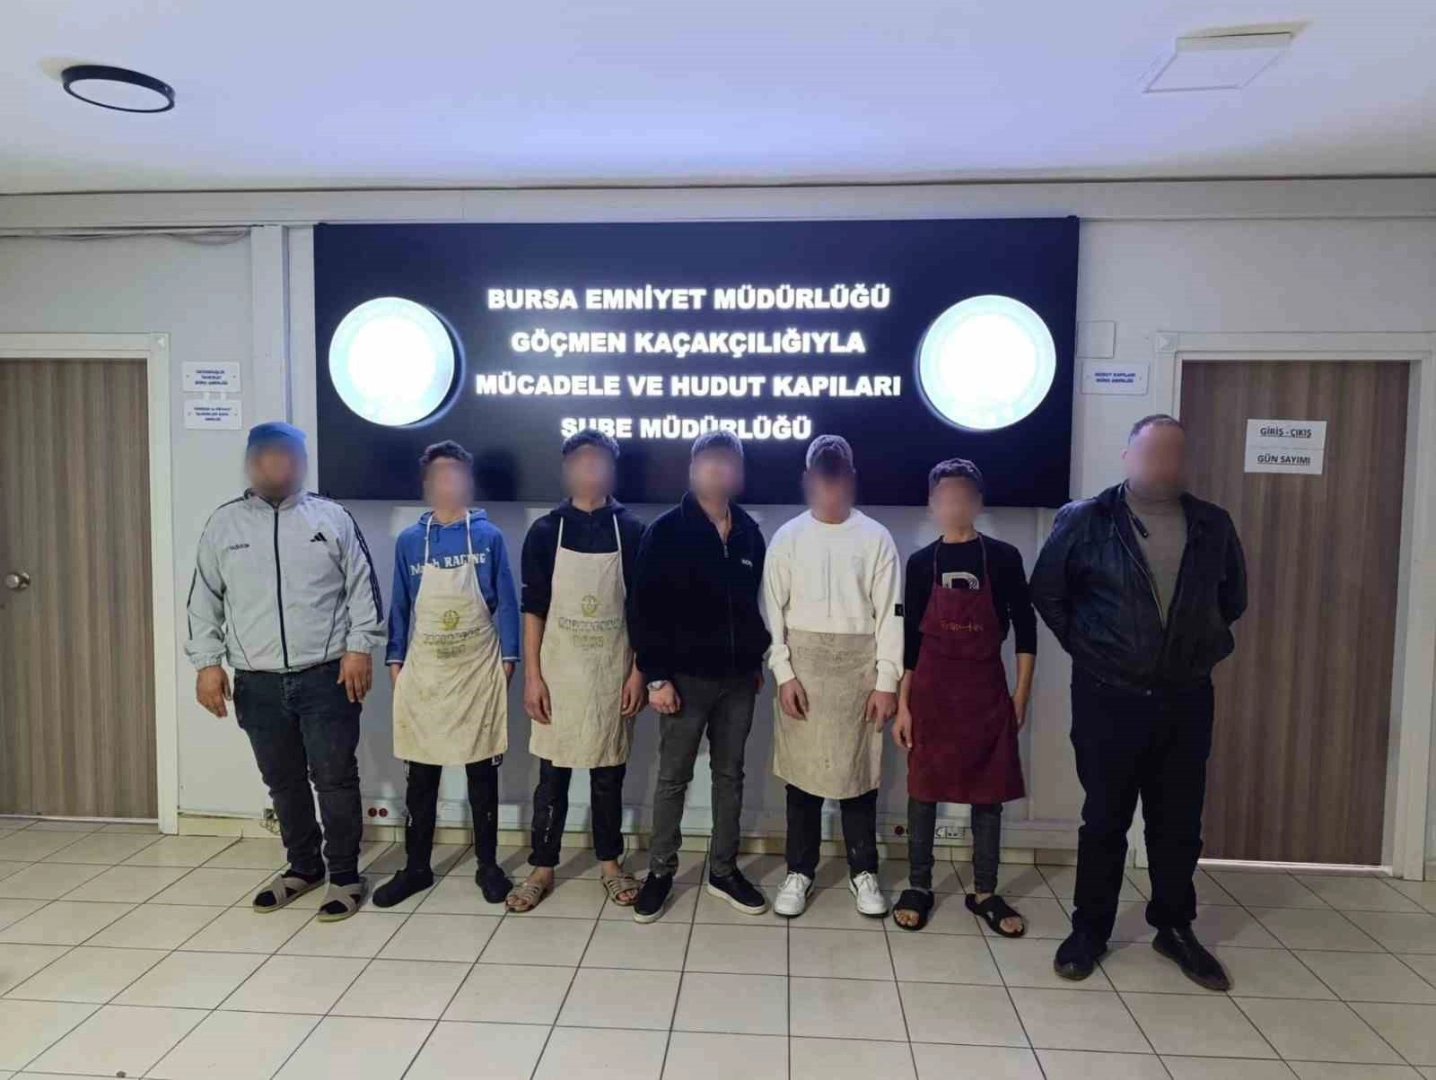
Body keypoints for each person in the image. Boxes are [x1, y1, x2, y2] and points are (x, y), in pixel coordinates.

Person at [1031, 414, 1247, 991]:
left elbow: (1233, 598)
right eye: (1151, 452)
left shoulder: (1212, 524)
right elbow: (1047, 591)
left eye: (1173, 453)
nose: (1162, 463)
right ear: (1127, 457)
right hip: (1107, 697)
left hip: (1185, 699)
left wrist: (1194, 650)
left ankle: (1174, 927)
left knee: (1178, 823)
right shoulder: (1085, 519)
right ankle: (1089, 931)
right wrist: (1090, 649)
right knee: (1104, 818)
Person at [187, 421, 383, 921]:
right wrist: (207, 664)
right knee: (283, 782)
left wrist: (359, 649)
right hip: (256, 682)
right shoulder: (224, 525)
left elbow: (363, 590)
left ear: (302, 462)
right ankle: (303, 867)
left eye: (288, 456)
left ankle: (344, 875)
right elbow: (204, 601)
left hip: (327, 675)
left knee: (335, 779)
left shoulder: (331, 517)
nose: (278, 465)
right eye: (268, 456)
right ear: (251, 463)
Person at [629, 430, 771, 923]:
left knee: (730, 777)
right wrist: (655, 677)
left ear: (738, 472)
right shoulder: (666, 531)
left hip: (738, 683)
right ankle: (660, 872)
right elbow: (642, 609)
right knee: (673, 778)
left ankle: (723, 870)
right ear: (693, 471)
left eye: (727, 464)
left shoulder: (749, 532)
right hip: (682, 681)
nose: (718, 472)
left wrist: (753, 661)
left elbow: (752, 606)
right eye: (709, 464)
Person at [372, 441, 520, 908]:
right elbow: (400, 604)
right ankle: (416, 867)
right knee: (421, 776)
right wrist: (395, 661)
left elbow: (508, 602)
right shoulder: (409, 542)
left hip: (478, 669)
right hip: (426, 672)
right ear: (427, 484)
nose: (448, 484)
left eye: (456, 475)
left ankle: (489, 866)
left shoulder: (489, 537)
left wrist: (510, 659)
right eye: (439, 476)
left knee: (482, 774)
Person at [891, 459, 1036, 934]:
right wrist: (904, 705)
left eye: (963, 497)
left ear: (977, 503)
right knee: (923, 792)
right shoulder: (920, 563)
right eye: (945, 498)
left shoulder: (1004, 557)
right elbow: (910, 642)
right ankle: (919, 885)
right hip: (931, 693)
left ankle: (986, 892)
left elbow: (1027, 631)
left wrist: (1020, 696)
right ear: (932, 505)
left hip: (986, 692)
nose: (954, 505)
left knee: (988, 795)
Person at [508, 429, 647, 912]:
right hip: (559, 673)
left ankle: (610, 864)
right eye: (581, 462)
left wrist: (638, 673)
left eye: (598, 462)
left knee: (609, 773)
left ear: (611, 469)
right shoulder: (546, 531)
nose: (590, 470)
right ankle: (542, 866)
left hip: (612, 671)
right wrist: (533, 676)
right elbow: (533, 609)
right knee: (553, 777)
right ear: (567, 470)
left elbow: (642, 612)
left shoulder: (632, 530)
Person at [763, 435, 901, 918]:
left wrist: (886, 682)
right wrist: (784, 673)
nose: (830, 488)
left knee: (858, 778)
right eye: (822, 479)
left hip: (859, 675)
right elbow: (771, 612)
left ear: (851, 479)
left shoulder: (876, 538)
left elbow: (891, 615)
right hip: (802, 673)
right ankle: (799, 871)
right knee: (801, 781)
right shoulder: (788, 537)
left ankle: (864, 872)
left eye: (838, 478)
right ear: (808, 481)